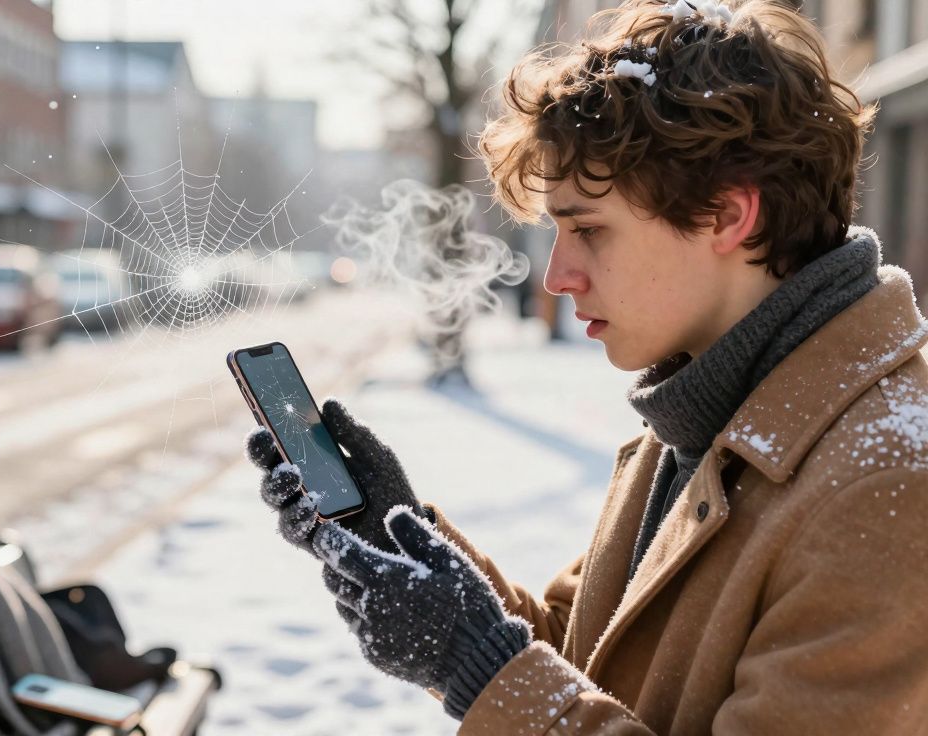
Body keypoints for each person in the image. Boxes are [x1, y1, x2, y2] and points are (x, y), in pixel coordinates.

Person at [245, 1, 927, 733]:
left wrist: (471, 662)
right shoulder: (702, 412)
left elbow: (531, 683)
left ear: (729, 216)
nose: (558, 277)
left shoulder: (889, 486)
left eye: (589, 230)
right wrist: (407, 542)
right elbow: (581, 662)